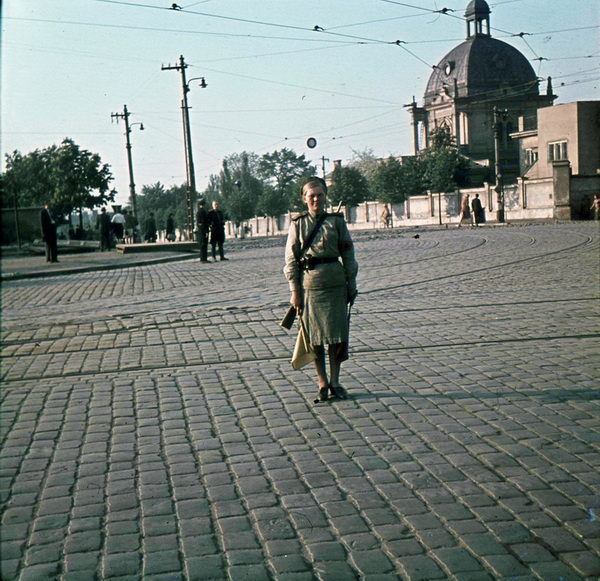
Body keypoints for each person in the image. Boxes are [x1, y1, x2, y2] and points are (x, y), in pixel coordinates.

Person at [284, 176, 358, 403]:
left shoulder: (337, 222)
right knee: (314, 338)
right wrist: (295, 290)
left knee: (336, 337)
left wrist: (351, 284)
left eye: (320, 195)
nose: (316, 199)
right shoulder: (298, 224)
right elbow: (291, 259)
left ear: (326, 197)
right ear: (304, 199)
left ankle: (336, 382)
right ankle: (322, 383)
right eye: (311, 195)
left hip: (336, 284)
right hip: (310, 287)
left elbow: (348, 254)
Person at [196, 198, 210, 262]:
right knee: (203, 244)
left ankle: (204, 258)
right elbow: (201, 223)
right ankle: (203, 258)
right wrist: (206, 230)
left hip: (202, 230)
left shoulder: (199, 212)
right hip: (202, 230)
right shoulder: (202, 212)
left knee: (203, 244)